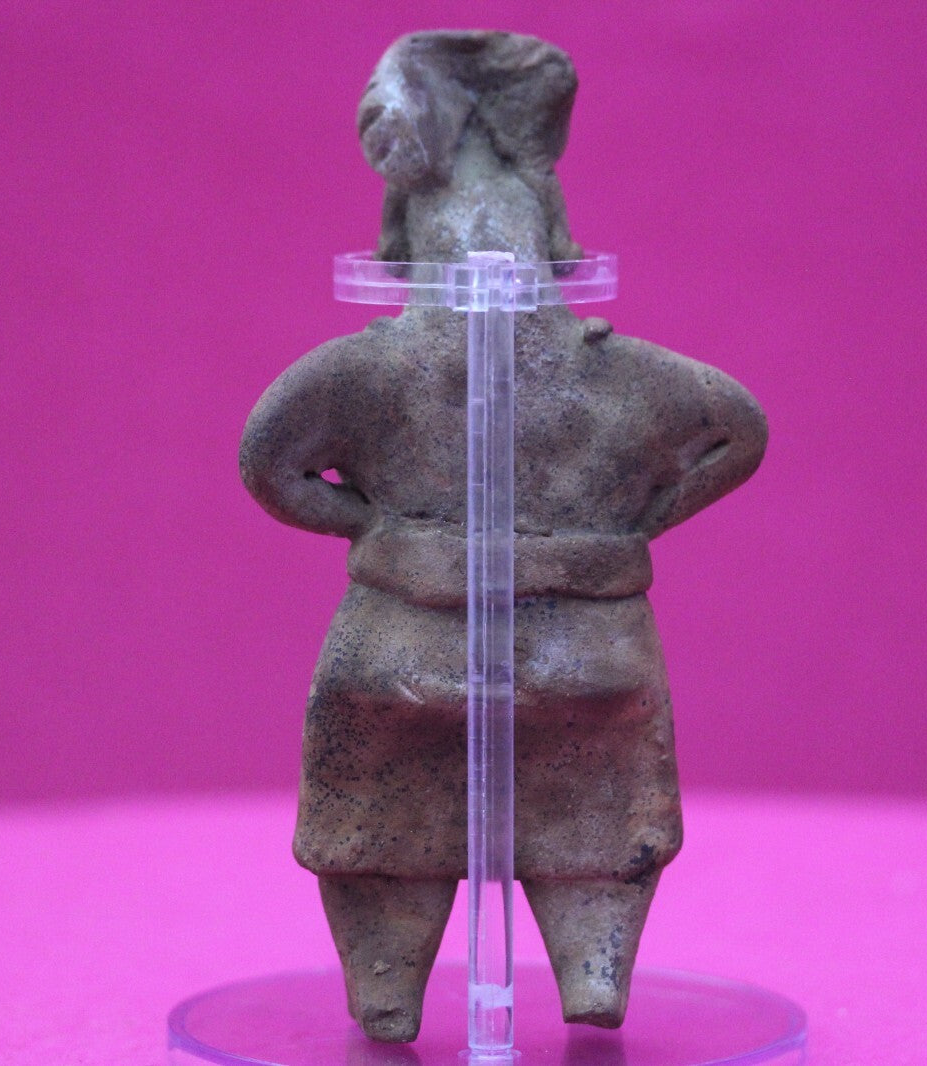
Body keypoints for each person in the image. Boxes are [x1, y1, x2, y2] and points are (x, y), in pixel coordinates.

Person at [241, 30, 767, 1044]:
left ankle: (389, 991)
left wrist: (372, 530)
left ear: (406, 243)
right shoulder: (626, 377)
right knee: (598, 819)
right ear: (554, 243)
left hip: (402, 647)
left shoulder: (364, 373)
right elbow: (738, 431)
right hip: (590, 648)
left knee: (380, 827)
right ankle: (590, 976)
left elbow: (267, 464)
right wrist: (638, 524)